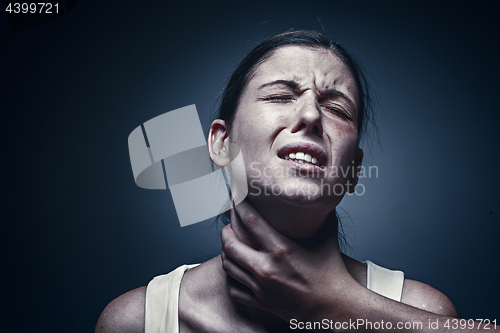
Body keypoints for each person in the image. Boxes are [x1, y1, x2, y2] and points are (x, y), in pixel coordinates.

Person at [95, 30, 477, 333]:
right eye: (280, 95)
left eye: (336, 107)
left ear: (353, 170)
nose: (311, 113)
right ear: (221, 142)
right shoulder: (135, 322)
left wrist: (335, 305)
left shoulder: (425, 312)